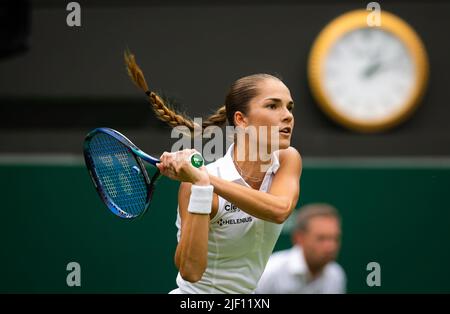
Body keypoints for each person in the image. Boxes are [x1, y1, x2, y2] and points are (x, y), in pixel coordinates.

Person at [124, 52, 302, 293]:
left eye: (289, 107)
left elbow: (279, 209)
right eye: (273, 105)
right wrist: (200, 186)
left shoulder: (288, 159)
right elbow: (191, 272)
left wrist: (206, 180)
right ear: (241, 120)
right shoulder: (195, 186)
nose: (287, 115)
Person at [255, 203, 346, 294]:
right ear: (299, 238)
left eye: (335, 238)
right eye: (321, 238)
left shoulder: (336, 275)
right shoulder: (269, 272)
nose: (330, 246)